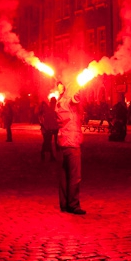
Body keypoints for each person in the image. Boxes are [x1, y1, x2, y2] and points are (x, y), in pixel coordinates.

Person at [56, 85, 85, 215]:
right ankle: (73, 205)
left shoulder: (59, 102)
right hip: (72, 142)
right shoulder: (69, 100)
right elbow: (75, 99)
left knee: (63, 176)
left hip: (62, 141)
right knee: (75, 176)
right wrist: (76, 95)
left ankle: (64, 204)